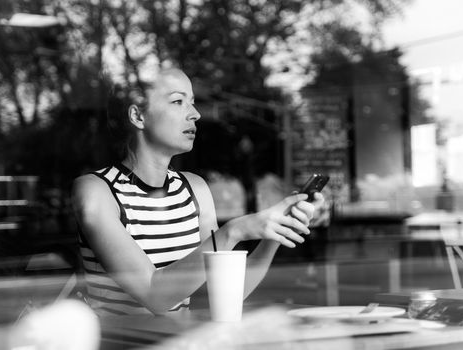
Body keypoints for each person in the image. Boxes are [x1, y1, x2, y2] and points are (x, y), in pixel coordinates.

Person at [71, 67, 325, 317]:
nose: (195, 114)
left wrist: (276, 231)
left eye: (192, 103)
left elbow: (224, 294)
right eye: (178, 101)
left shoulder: (194, 189)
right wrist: (233, 231)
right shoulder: (96, 191)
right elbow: (154, 294)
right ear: (138, 116)